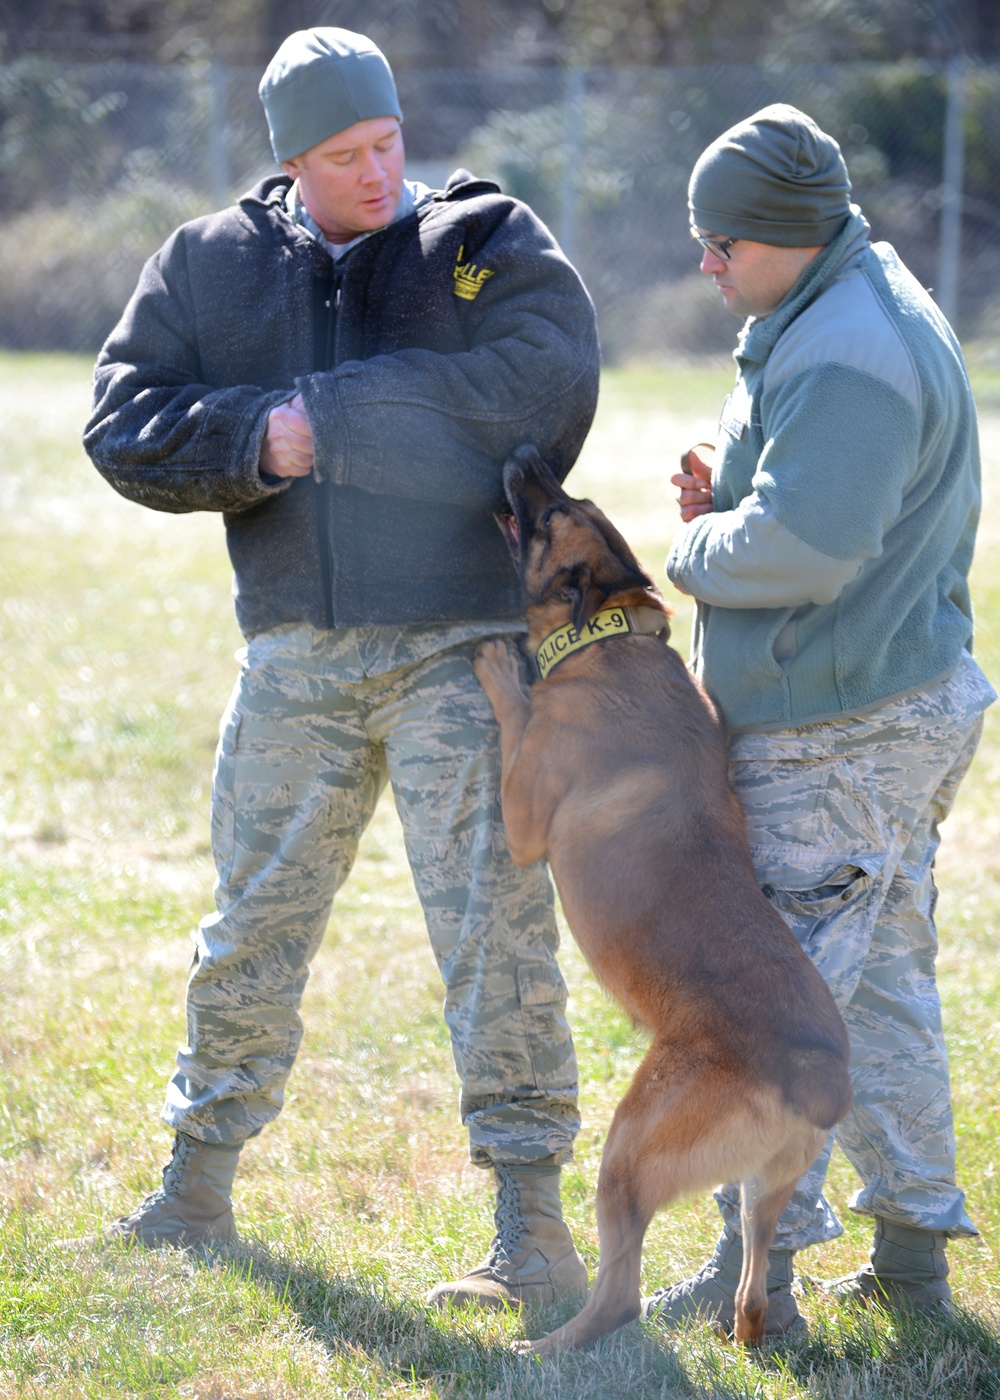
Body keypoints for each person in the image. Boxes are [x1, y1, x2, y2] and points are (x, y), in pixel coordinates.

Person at [82, 27, 601, 1310]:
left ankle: (530, 1226)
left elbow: (543, 391)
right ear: (290, 160)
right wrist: (264, 434)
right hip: (293, 655)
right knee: (250, 924)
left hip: (459, 651)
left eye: (387, 144)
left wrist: (344, 416)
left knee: (493, 932)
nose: (378, 173)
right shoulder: (206, 263)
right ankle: (195, 1181)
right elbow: (120, 420)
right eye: (344, 156)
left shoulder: (485, 240)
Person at [643, 104, 995, 1336]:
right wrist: (729, 485)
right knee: (883, 985)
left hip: (839, 732)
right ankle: (911, 1256)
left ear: (788, 237)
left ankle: (762, 1277)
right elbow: (805, 493)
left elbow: (807, 544)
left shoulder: (847, 342)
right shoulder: (834, 302)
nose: (707, 261)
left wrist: (692, 543)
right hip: (881, 706)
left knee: (775, 1009)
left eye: (722, 241)